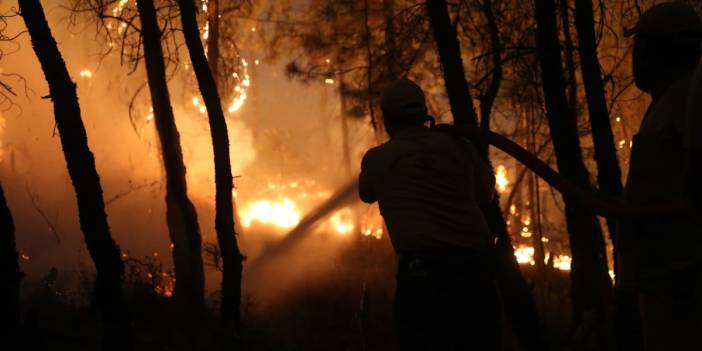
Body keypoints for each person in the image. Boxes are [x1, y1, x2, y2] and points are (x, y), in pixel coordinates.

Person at [359, 78, 499, 350]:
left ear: (387, 120)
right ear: (424, 115)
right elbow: (486, 194)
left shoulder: (378, 159)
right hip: (475, 276)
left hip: (423, 281)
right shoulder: (460, 147)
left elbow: (366, 193)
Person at [619, 3, 702, 350]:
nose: (635, 56)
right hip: (662, 276)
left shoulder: (690, 100)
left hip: (680, 280)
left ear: (662, 50)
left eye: (640, 46)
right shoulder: (672, 100)